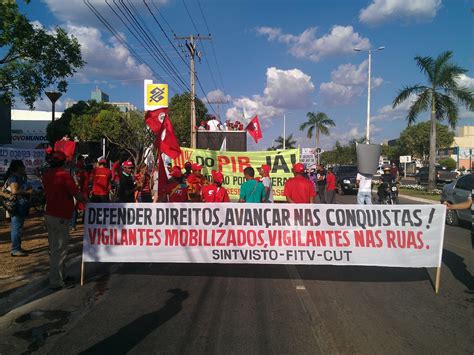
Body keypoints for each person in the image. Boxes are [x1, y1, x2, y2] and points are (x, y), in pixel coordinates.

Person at [42, 151, 86, 289]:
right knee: (59, 250)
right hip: (60, 217)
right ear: (63, 162)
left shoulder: (47, 175)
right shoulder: (64, 175)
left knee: (56, 248)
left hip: (50, 215)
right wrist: (87, 202)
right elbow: (75, 193)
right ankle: (56, 281)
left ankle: (61, 275)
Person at [1, 160, 32, 256]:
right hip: (17, 205)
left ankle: (17, 247)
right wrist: (27, 192)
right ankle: (15, 249)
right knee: (16, 227)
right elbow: (14, 191)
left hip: (19, 205)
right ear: (18, 167)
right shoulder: (14, 178)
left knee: (18, 227)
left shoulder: (19, 177)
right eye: (23, 167)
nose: (24, 168)